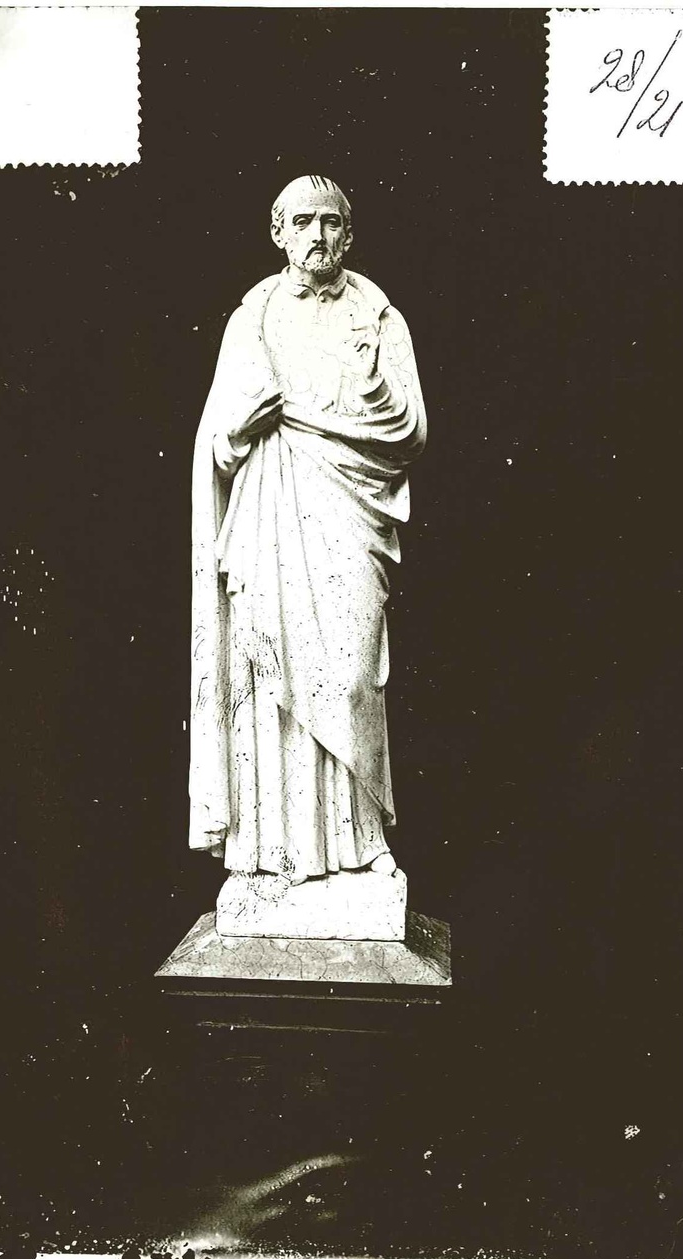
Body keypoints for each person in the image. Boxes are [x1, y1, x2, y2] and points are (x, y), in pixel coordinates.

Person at [189, 175, 426, 887]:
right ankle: (271, 852)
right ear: (278, 232)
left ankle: (361, 841)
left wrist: (371, 383)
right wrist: (241, 427)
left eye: (330, 222)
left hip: (350, 513)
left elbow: (411, 431)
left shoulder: (376, 314)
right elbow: (216, 445)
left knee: (351, 678)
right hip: (271, 515)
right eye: (302, 222)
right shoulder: (254, 316)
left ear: (348, 234)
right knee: (270, 678)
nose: (317, 235)